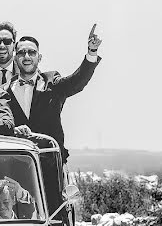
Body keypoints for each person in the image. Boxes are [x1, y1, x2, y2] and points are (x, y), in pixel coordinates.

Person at [8, 24, 103, 162]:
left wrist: (92, 51)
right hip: (17, 163)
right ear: (16, 59)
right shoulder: (5, 91)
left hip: (52, 161)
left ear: (39, 58)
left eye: (32, 52)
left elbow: (78, 81)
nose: (27, 56)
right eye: (22, 53)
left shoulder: (52, 82)